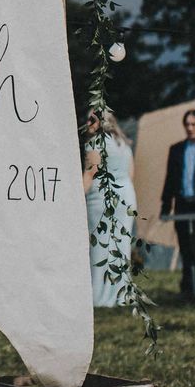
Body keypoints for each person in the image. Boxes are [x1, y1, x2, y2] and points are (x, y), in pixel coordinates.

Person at [83, 110, 136, 307]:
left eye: (91, 119)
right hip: (126, 197)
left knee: (100, 246)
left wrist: (78, 198)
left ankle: (101, 296)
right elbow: (131, 174)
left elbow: (90, 174)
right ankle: (121, 294)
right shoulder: (124, 145)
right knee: (121, 246)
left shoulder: (95, 144)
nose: (87, 123)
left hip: (102, 199)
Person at [160, 108, 195, 297]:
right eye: (186, 124)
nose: (189, 128)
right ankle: (189, 288)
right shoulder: (177, 150)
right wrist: (166, 205)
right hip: (182, 205)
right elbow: (170, 179)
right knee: (187, 247)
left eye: (193, 124)